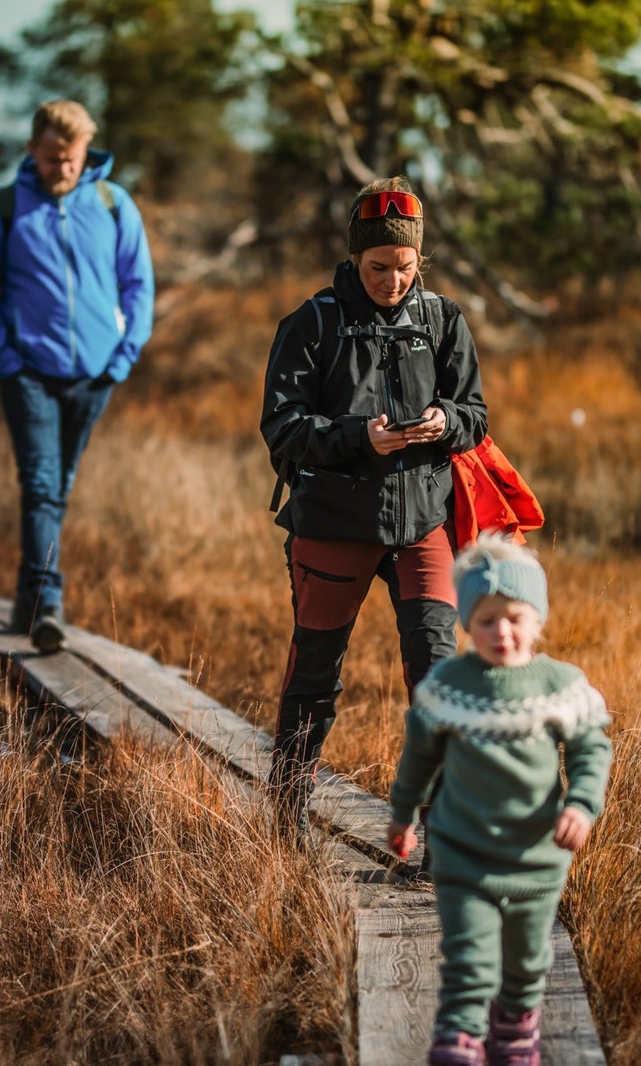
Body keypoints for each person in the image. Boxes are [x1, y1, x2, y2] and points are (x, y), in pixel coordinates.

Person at [260, 175, 488, 843]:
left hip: (424, 521)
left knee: (437, 671)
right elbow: (283, 427)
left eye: (405, 267)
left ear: (422, 260)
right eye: (377, 267)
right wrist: (360, 438)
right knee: (317, 671)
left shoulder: (443, 320)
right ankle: (288, 808)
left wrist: (446, 422)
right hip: (333, 522)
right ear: (356, 258)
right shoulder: (314, 322)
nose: (392, 280)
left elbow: (476, 416)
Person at [386, 533, 613, 1066]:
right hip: (463, 854)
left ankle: (513, 1031)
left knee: (527, 962)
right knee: (469, 958)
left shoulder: (559, 686)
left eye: (514, 617)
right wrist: (402, 814)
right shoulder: (448, 686)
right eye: (486, 620)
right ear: (467, 622)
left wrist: (581, 804)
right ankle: (459, 1041)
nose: (502, 632)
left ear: (537, 619)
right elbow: (419, 755)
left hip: (536, 858)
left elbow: (589, 749)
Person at [0, 100, 154, 653]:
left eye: (71, 158)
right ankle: (47, 604)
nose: (62, 169)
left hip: (95, 375)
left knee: (56, 488)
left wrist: (122, 358)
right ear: (31, 150)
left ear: (85, 151)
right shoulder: (2, 209)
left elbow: (138, 286)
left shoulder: (114, 205)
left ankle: (26, 597)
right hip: (29, 375)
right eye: (51, 158)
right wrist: (6, 359)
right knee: (43, 486)